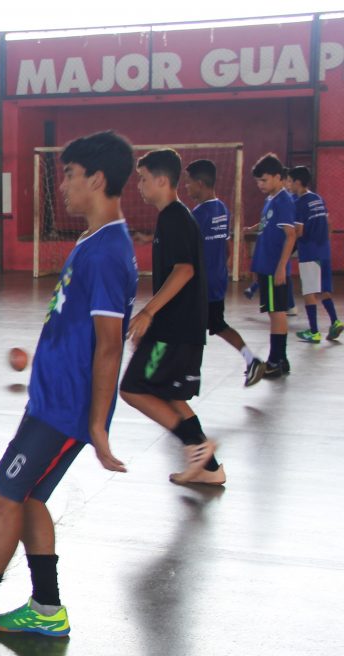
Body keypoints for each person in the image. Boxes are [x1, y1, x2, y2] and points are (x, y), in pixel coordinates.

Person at [0, 131, 138, 645]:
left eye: (69, 174)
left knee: (5, 491)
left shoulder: (109, 251)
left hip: (64, 412)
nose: (62, 184)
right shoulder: (92, 242)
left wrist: (96, 426)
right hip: (51, 401)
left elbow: (111, 346)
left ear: (97, 179)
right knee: (32, 499)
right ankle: (46, 609)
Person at [120, 149, 223, 486]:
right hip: (178, 328)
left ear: (162, 181)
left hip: (175, 331)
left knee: (134, 388)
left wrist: (149, 312)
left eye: (144, 179)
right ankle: (210, 470)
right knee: (171, 396)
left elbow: (184, 270)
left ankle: (198, 448)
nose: (139, 186)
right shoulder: (173, 217)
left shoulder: (175, 217)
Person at [183, 160, 264, 386]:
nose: (186, 188)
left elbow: (188, 250)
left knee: (192, 327)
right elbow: (226, 248)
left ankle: (190, 374)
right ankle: (251, 359)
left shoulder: (198, 214)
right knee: (217, 324)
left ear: (200, 183)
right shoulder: (223, 209)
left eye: (188, 183)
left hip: (201, 283)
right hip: (218, 279)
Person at [249, 154, 297, 378]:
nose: (260, 185)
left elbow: (290, 235)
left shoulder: (283, 200)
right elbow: (270, 224)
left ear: (278, 177)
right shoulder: (271, 199)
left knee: (276, 312)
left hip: (273, 267)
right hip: (265, 265)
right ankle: (282, 359)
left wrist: (281, 267)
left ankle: (275, 360)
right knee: (274, 311)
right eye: (258, 181)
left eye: (264, 180)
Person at [287, 166, 341, 343]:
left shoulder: (299, 203)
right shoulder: (318, 198)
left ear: (297, 182)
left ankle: (314, 331)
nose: (288, 185)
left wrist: (287, 241)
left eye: (289, 181)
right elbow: (328, 223)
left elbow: (299, 231)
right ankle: (335, 321)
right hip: (324, 250)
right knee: (325, 289)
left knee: (309, 292)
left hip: (309, 252)